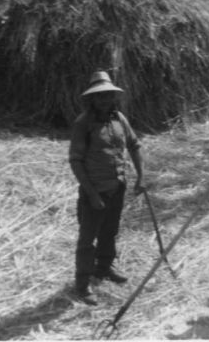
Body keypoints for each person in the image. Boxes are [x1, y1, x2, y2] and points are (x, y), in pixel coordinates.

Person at [69, 70, 144, 305]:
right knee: (87, 238)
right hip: (95, 191)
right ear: (92, 99)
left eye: (108, 95)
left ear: (114, 96)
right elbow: (76, 160)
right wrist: (91, 194)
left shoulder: (119, 119)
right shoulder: (83, 124)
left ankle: (104, 267)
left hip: (117, 187)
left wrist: (142, 176)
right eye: (100, 96)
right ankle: (82, 284)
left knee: (109, 231)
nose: (104, 99)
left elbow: (134, 145)